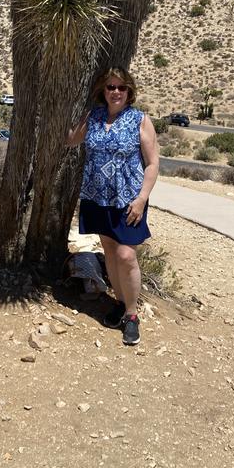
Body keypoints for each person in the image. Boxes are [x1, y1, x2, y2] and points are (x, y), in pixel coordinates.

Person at [67, 67, 159, 345]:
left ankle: (132, 315)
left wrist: (141, 199)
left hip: (128, 200)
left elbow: (153, 163)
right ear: (103, 91)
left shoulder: (139, 120)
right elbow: (71, 140)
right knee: (108, 251)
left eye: (121, 87)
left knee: (126, 255)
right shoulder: (93, 117)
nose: (115, 92)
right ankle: (119, 303)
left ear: (129, 91)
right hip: (97, 197)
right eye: (110, 87)